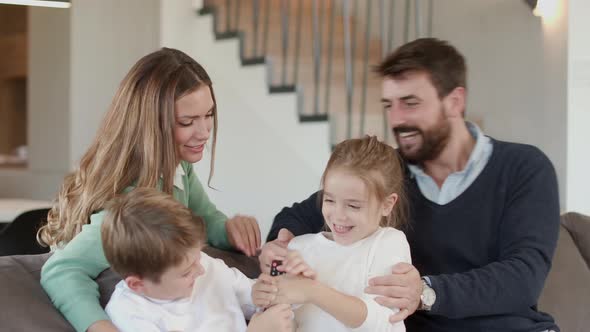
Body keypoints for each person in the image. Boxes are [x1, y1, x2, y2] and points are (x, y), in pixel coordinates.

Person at [260, 38, 560, 332]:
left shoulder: (524, 168)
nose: (397, 119)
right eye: (389, 105)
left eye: (410, 103)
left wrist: (426, 293)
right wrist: (280, 245)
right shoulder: (386, 172)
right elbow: (300, 215)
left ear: (454, 102)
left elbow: (524, 276)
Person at [39, 48, 261, 332]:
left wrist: (230, 229)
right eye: (187, 121)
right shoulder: (130, 207)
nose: (204, 131)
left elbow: (204, 218)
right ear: (150, 124)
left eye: (208, 115)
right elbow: (62, 271)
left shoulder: (178, 167)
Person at [253, 136, 411, 331]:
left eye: (353, 205)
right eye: (329, 201)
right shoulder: (299, 247)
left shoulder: (389, 243)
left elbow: (383, 323)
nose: (338, 215)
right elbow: (284, 319)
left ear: (387, 205)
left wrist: (312, 291)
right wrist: (265, 298)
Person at [102, 188, 292, 332]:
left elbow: (252, 299)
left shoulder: (206, 266)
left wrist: (261, 295)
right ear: (137, 284)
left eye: (198, 256)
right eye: (186, 272)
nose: (201, 270)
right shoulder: (130, 316)